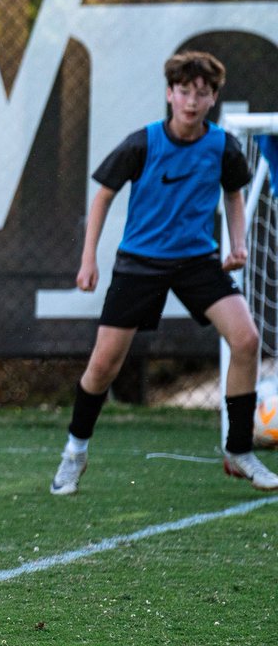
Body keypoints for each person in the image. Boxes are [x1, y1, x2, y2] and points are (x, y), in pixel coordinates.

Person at [49, 50, 278, 495]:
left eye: (203, 93)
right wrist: (88, 259)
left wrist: (238, 245)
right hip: (140, 263)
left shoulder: (222, 145)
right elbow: (102, 197)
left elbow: (234, 195)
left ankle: (238, 451)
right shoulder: (144, 142)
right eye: (184, 91)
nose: (192, 101)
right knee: (103, 365)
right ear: (169, 94)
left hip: (197, 261)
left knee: (246, 339)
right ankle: (74, 451)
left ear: (213, 99)